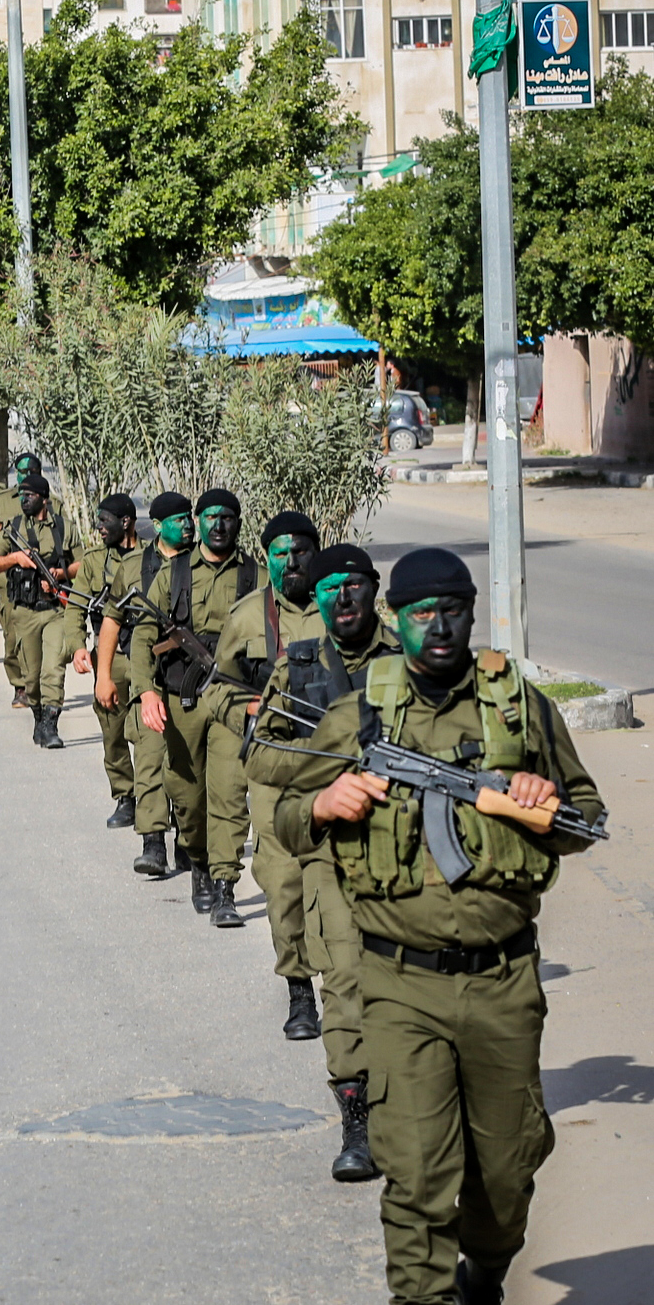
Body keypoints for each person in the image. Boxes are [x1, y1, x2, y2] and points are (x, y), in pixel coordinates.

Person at [260, 547, 603, 1305]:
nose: (439, 627)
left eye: (452, 611)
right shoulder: (361, 715)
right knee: (414, 1173)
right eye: (422, 615)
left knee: (507, 1170)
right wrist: (324, 804)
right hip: (397, 981)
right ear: (400, 621)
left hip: (504, 979)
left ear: (471, 614)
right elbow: (284, 818)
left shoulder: (518, 708)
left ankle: (486, 1263)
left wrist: (538, 802)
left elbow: (586, 819)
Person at [249, 541, 396, 1184]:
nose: (341, 598)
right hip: (330, 852)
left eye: (354, 587)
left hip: (407, 850)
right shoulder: (299, 665)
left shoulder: (412, 660)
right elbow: (259, 756)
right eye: (331, 587)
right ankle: (356, 1120)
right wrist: (327, 768)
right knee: (343, 987)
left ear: (373, 591)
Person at [202, 509, 329, 1040]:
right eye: (279, 552)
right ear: (268, 559)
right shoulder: (248, 616)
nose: (291, 561)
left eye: (300, 550)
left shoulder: (342, 606)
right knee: (282, 884)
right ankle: (300, 990)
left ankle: (346, 987)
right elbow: (215, 688)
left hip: (336, 767)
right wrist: (245, 713)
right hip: (274, 771)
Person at [121, 489, 257, 927]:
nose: (220, 525)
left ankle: (224, 886)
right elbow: (143, 634)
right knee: (186, 793)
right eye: (211, 517)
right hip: (184, 697)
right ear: (197, 522)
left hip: (233, 702)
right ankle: (197, 857)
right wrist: (146, 691)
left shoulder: (254, 575)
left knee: (230, 793)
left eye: (228, 518)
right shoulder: (174, 572)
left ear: (238, 523)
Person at [0, 475, 81, 749]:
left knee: (54, 668)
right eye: (21, 495)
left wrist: (62, 573)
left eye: (30, 496)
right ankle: (38, 715)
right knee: (32, 675)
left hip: (56, 611)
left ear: (44, 499)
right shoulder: (13, 529)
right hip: (25, 611)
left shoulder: (64, 528)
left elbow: (83, 563)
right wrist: (16, 558)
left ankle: (51, 725)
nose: (24, 500)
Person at [77, 495, 150, 839]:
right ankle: (125, 794)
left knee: (152, 731)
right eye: (97, 521)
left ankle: (159, 800)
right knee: (112, 726)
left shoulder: (154, 556)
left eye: (105, 521)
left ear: (127, 522)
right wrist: (77, 646)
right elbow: (75, 607)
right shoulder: (93, 561)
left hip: (150, 653)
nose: (99, 528)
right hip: (112, 654)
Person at [0, 453, 47, 707]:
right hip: (12, 582)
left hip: (45, 583)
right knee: (13, 638)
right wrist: (2, 551)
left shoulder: (51, 502)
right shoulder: (3, 502)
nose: (27, 474)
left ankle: (43, 686)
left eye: (32, 470)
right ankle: (19, 685)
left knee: (47, 640)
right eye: (22, 471)